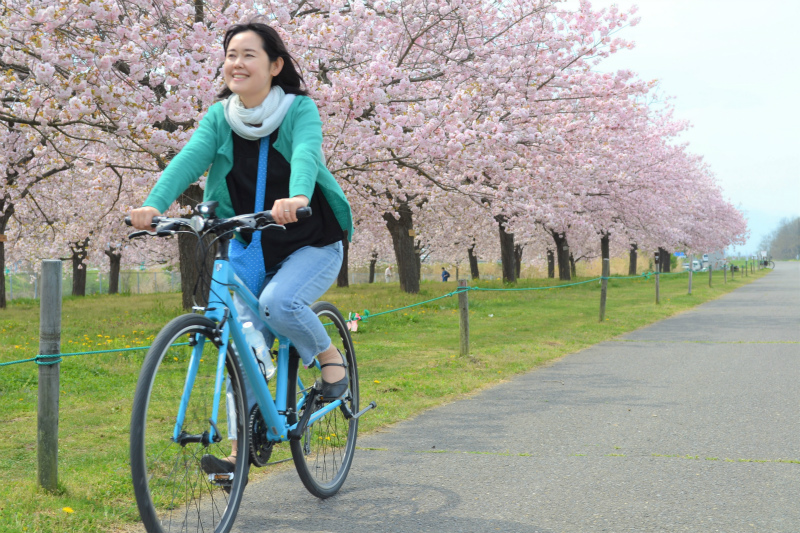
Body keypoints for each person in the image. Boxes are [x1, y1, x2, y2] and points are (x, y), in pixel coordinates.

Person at [129, 20, 352, 474]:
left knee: (278, 303)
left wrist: (299, 197)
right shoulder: (220, 117)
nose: (236, 62)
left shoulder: (298, 110)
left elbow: (307, 153)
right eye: (231, 54)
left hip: (312, 242)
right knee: (241, 339)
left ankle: (330, 357)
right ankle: (241, 448)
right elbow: (187, 159)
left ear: (275, 65)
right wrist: (153, 205)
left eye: (249, 54)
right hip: (251, 243)